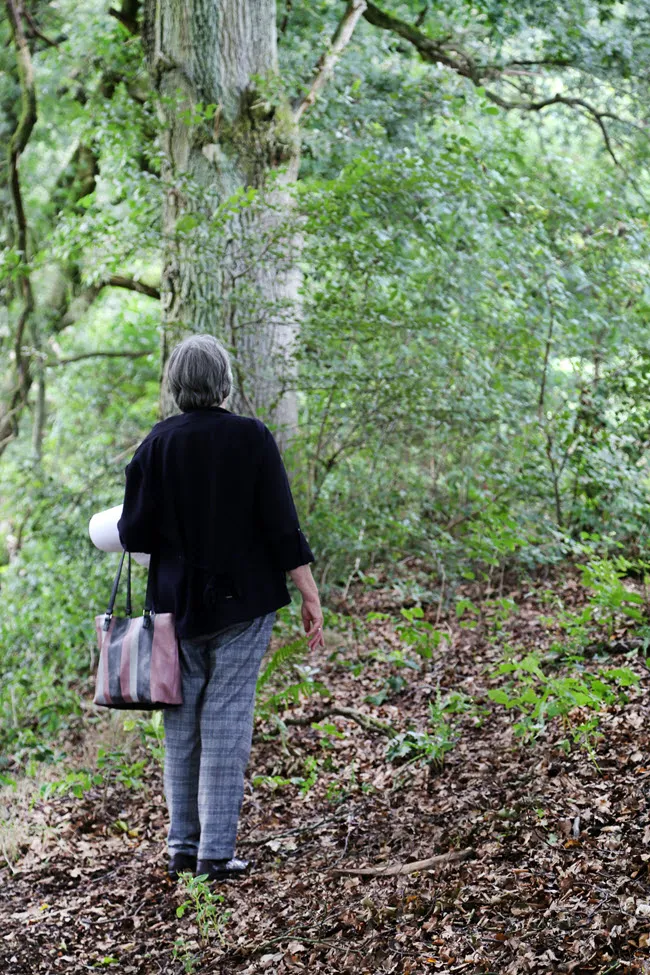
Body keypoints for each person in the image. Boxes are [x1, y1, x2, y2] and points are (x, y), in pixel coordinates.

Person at [116, 334, 324, 882]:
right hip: (244, 604)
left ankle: (183, 848)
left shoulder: (155, 444)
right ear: (225, 381)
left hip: (175, 610)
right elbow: (281, 525)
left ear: (175, 385)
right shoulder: (251, 437)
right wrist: (308, 590)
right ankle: (216, 854)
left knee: (181, 726)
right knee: (227, 720)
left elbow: (132, 532)